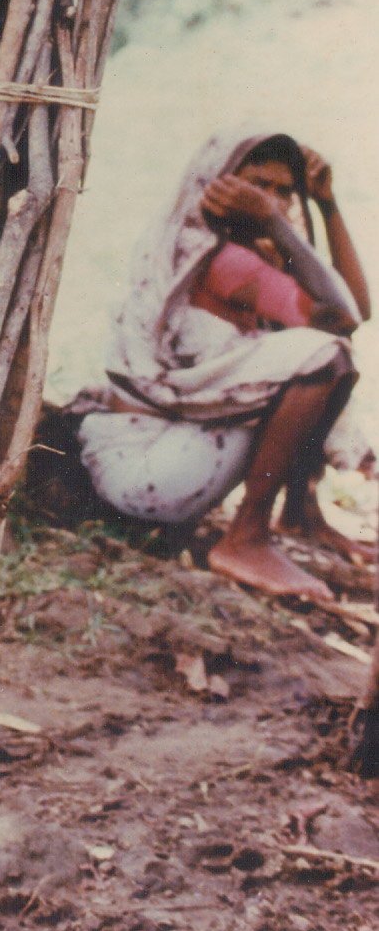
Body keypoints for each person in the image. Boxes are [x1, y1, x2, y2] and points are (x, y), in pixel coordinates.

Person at [71, 129, 370, 601]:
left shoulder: (247, 254)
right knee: (321, 360)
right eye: (254, 184)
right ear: (215, 184)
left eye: (282, 190)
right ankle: (247, 538)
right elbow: (342, 321)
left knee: (303, 352)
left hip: (165, 465)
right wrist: (277, 221)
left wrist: (327, 206)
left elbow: (356, 310)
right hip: (151, 469)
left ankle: (300, 514)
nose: (267, 199)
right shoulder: (223, 260)